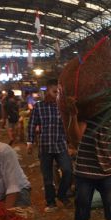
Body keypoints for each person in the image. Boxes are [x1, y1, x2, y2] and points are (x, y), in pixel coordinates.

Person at [27, 79, 73, 212]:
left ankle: (62, 195)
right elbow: (32, 124)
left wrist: (71, 144)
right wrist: (29, 142)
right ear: (47, 91)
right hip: (45, 146)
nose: (57, 94)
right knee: (48, 178)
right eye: (54, 92)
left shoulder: (63, 107)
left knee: (68, 171)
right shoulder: (39, 106)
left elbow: (69, 126)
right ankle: (51, 202)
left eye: (59, 92)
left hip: (61, 145)